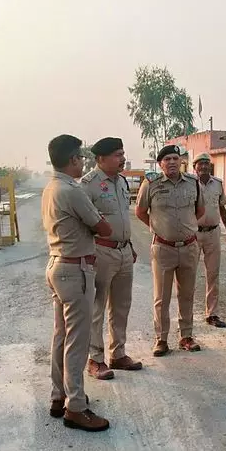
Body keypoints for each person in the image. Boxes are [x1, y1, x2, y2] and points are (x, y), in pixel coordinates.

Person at [42, 134, 112, 432]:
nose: (83, 162)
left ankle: (59, 396)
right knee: (77, 342)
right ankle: (76, 407)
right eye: (81, 157)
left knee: (61, 336)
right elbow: (104, 228)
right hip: (75, 269)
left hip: (58, 265)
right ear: (72, 159)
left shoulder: (51, 187)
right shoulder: (72, 190)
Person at [135, 144, 205, 356]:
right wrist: (159, 228)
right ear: (160, 164)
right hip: (163, 248)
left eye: (175, 158)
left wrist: (185, 228)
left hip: (189, 247)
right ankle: (161, 339)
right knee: (162, 297)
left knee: (187, 294)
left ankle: (186, 336)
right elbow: (140, 211)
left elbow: (200, 210)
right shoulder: (151, 184)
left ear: (181, 161)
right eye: (167, 159)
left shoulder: (193, 183)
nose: (172, 162)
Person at [81, 137, 142, 378]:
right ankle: (95, 359)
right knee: (97, 307)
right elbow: (82, 223)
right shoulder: (88, 185)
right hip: (101, 252)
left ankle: (118, 354)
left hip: (124, 250)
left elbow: (123, 218)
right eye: (117, 155)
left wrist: (130, 246)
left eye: (123, 154)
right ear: (100, 158)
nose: (122, 159)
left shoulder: (122, 182)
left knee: (121, 306)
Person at [193, 153, 226, 329]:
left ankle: (212, 314)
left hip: (213, 233)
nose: (204, 167)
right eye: (200, 164)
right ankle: (186, 314)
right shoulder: (189, 184)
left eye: (206, 163)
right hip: (193, 234)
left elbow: (222, 209)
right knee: (188, 274)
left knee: (213, 274)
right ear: (194, 167)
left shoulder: (217, 184)